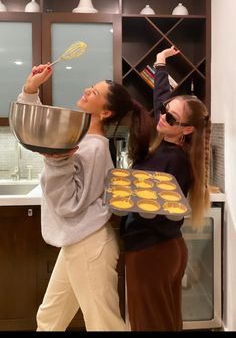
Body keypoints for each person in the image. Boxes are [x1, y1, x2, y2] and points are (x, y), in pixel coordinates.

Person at [16, 63, 154, 331]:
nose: (86, 91)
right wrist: (31, 89)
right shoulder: (78, 139)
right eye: (91, 87)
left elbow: (69, 204)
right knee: (49, 319)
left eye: (94, 92)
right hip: (79, 242)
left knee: (104, 324)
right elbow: (40, 128)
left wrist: (57, 163)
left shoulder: (93, 148)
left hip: (89, 246)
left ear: (105, 112)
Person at [120, 46, 211, 332]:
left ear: (187, 130)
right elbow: (162, 100)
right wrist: (160, 63)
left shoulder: (174, 161)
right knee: (167, 322)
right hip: (166, 249)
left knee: (149, 325)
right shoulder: (172, 140)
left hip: (152, 253)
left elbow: (153, 211)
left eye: (171, 118)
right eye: (164, 112)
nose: (162, 117)